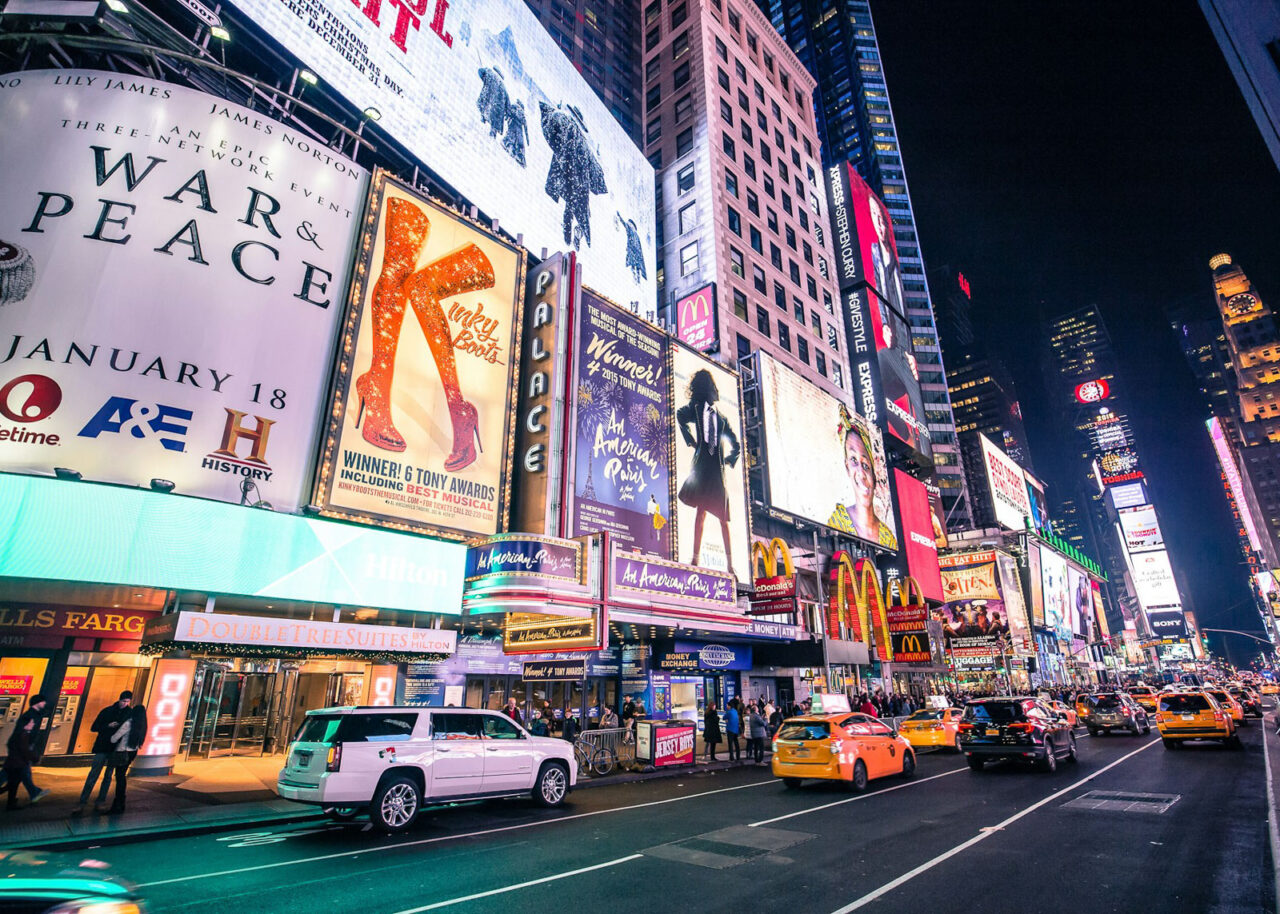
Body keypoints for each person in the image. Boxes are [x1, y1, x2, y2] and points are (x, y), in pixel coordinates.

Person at [676, 369, 742, 573]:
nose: (716, 391)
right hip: (702, 469)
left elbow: (736, 445)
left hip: (717, 472)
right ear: (707, 389)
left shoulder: (721, 418)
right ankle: (695, 560)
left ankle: (730, 565)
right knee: (701, 512)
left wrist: (730, 460)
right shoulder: (696, 409)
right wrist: (691, 441)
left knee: (723, 518)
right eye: (712, 387)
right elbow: (679, 415)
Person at [833, 406, 896, 549]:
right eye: (853, 461)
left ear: (875, 474)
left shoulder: (888, 538)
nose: (861, 473)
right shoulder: (838, 522)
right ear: (847, 467)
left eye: (866, 465)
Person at [77, 691, 134, 813]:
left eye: (127, 701)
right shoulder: (108, 711)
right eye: (124, 701)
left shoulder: (128, 713)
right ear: (119, 700)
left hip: (113, 748)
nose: (125, 703)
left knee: (107, 776)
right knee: (94, 774)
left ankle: (99, 801)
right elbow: (94, 727)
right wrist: (108, 726)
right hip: (104, 746)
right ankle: (83, 802)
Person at [4, 694, 49, 810]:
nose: (45, 704)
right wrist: (32, 755)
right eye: (43, 702)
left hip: (19, 750)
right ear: (37, 703)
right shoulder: (30, 717)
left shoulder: (32, 715)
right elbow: (23, 736)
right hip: (20, 751)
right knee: (14, 775)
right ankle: (33, 793)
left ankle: (31, 794)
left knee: (16, 774)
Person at [104, 699, 146, 814]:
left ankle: (118, 803)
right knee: (122, 777)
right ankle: (120, 802)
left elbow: (114, 738)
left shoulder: (129, 723)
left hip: (122, 752)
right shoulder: (143, 725)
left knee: (119, 777)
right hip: (132, 752)